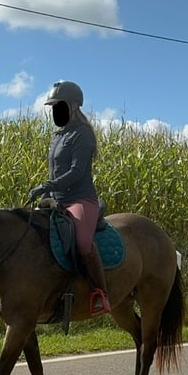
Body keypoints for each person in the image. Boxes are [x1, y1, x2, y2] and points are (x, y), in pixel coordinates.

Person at [28, 80, 110, 315]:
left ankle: (100, 293)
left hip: (80, 200)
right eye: (53, 107)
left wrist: (46, 186)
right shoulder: (57, 136)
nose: (56, 111)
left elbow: (76, 172)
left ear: (74, 106)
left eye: (59, 106)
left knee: (83, 243)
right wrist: (47, 191)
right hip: (57, 199)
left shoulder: (83, 135)